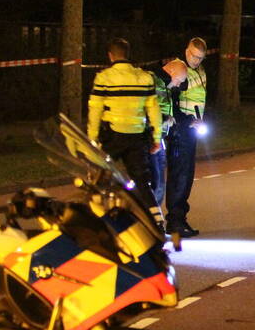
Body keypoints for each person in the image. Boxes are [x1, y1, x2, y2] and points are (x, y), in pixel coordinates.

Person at [87, 37, 164, 227]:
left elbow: (95, 109)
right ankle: (157, 222)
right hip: (137, 137)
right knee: (142, 182)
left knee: (99, 179)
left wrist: (91, 138)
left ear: (110, 56)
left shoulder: (104, 78)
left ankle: (95, 221)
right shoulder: (145, 78)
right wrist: (156, 137)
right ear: (128, 55)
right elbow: (153, 109)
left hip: (112, 136)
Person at [164, 37, 208, 238]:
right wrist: (187, 120)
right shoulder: (178, 69)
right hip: (180, 130)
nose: (196, 60)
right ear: (186, 51)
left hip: (191, 128)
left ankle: (179, 219)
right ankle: (175, 222)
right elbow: (170, 102)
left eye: (200, 58)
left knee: (186, 175)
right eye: (193, 55)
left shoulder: (200, 72)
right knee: (180, 176)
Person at [149, 59, 187, 207]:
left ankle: (156, 221)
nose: (178, 85)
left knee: (159, 185)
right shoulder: (152, 81)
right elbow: (146, 109)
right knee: (155, 184)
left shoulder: (164, 85)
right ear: (171, 72)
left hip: (160, 139)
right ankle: (153, 222)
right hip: (151, 139)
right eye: (179, 80)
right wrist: (165, 119)